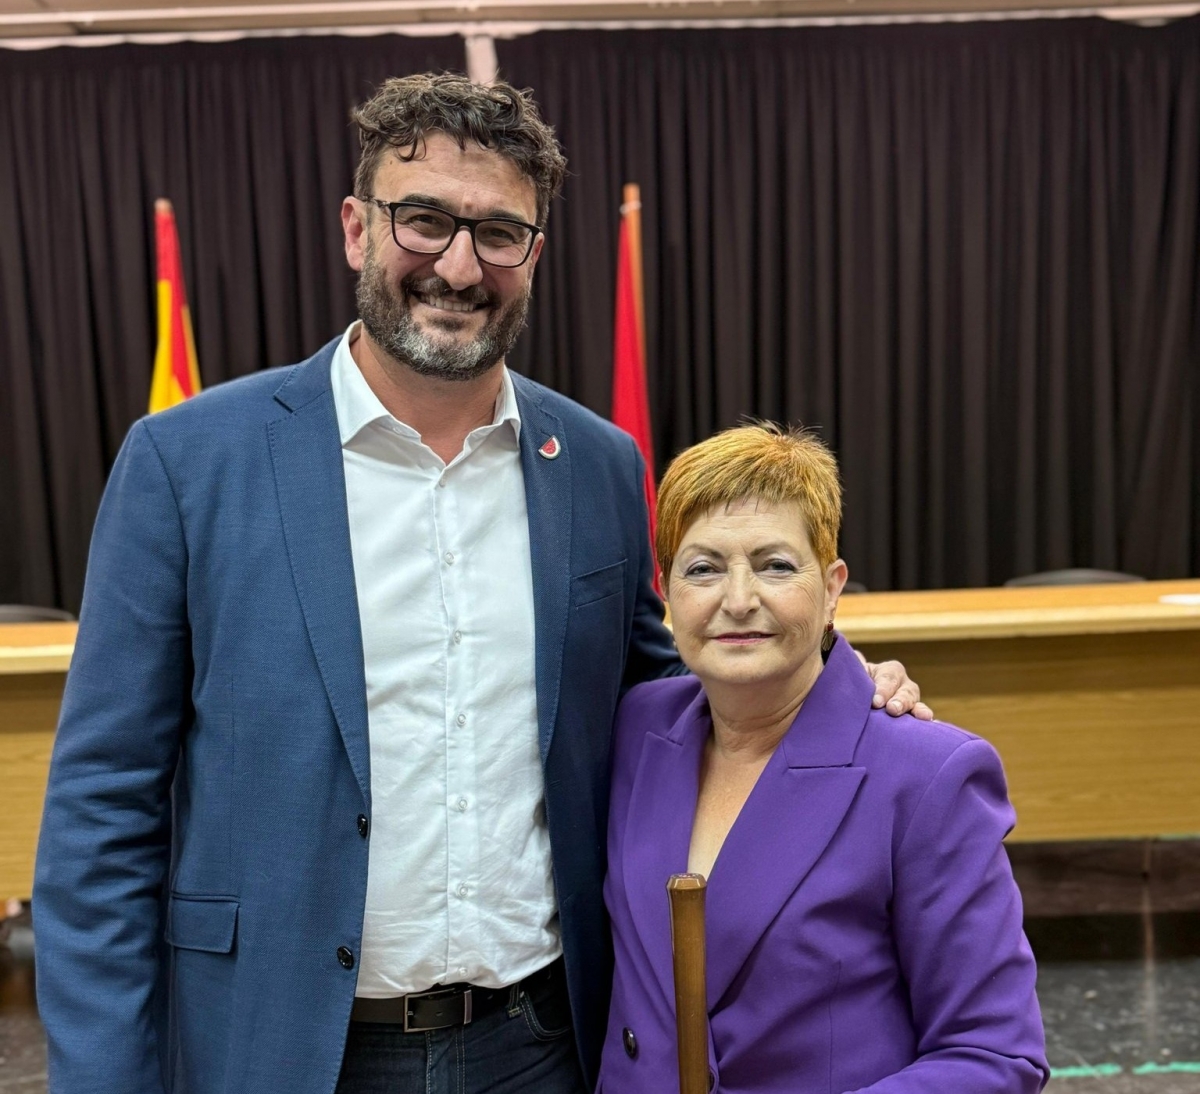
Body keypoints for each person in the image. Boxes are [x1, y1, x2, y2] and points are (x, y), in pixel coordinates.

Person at [33, 75, 926, 1094]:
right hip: (278, 1046)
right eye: (425, 220)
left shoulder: (595, 465)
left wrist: (838, 684)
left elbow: (676, 690)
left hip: (540, 1042)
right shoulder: (188, 462)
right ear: (356, 228)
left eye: (499, 232)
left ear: (534, 256)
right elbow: (104, 807)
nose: (460, 265)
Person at [600, 424, 1048, 1093]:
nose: (739, 599)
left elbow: (995, 1052)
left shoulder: (928, 775)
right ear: (666, 590)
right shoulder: (636, 729)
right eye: (703, 568)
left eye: (776, 565)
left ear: (833, 585)